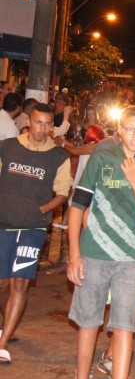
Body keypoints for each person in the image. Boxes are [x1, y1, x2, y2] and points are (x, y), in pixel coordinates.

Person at [64, 106, 135, 379]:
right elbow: (77, 207)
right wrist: (74, 254)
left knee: (124, 328)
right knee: (88, 324)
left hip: (131, 260)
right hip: (94, 253)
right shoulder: (101, 158)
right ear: (119, 130)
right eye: (130, 129)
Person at [0, 104, 73, 365]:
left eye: (48, 124)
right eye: (38, 122)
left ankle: (3, 343)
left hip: (33, 228)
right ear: (28, 122)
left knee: (19, 282)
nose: (43, 129)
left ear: (53, 126)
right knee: (3, 283)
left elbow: (63, 193)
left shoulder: (58, 156)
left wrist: (41, 209)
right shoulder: (7, 147)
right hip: (3, 224)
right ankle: (5, 324)